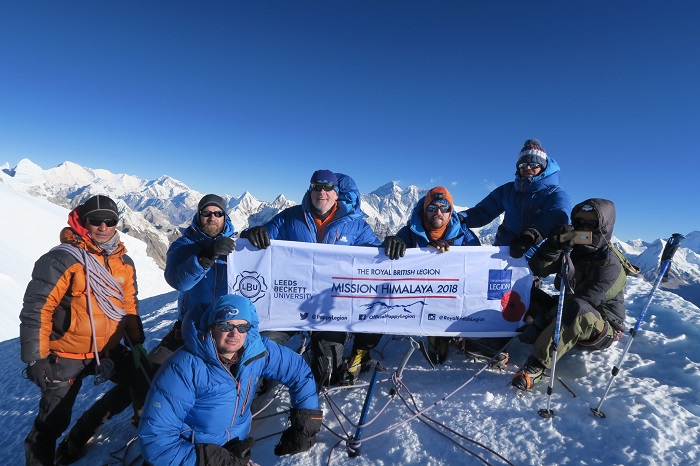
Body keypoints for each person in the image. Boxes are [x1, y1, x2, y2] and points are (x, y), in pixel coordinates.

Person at [53, 193, 236, 463]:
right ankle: (80, 435)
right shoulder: (185, 245)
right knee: (145, 377)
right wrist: (205, 257)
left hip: (230, 332)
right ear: (198, 215)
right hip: (189, 330)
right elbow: (178, 280)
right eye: (206, 213)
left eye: (217, 213)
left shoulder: (238, 247)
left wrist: (257, 238)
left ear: (225, 217)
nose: (212, 217)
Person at [242, 169, 406, 387]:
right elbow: (261, 237)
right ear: (310, 190)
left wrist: (388, 246)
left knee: (327, 373)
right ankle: (259, 384)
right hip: (290, 301)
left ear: (337, 193)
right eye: (316, 187)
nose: (322, 191)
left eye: (328, 187)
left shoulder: (356, 225)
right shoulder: (290, 217)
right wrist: (250, 235)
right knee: (263, 346)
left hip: (331, 307)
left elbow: (374, 256)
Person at [20, 195, 146, 466]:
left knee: (142, 381)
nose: (103, 226)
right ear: (82, 221)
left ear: (116, 224)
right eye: (95, 220)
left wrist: (136, 342)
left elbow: (129, 306)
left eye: (110, 221)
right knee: (51, 423)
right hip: (66, 354)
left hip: (108, 351)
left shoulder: (124, 263)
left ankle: (149, 434)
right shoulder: (62, 259)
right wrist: (36, 357)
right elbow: (37, 309)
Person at [138, 294, 323, 465]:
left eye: (242, 327)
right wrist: (216, 460)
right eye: (226, 326)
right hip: (194, 456)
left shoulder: (255, 351)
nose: (235, 334)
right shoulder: (183, 369)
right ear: (211, 326)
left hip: (234, 450)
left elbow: (297, 370)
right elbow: (156, 443)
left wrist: (306, 420)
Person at [459, 139, 572, 358]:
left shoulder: (556, 193)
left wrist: (533, 234)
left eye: (533, 163)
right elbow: (481, 212)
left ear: (544, 166)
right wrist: (453, 218)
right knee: (495, 294)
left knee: (515, 298)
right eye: (523, 163)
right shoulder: (508, 190)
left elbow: (558, 217)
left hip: (535, 258)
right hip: (504, 253)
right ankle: (487, 331)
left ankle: (494, 343)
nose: (527, 167)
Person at [511, 198, 627, 391]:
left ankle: (536, 367)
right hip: (568, 311)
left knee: (577, 308)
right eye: (579, 223)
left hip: (601, 327)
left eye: (591, 224)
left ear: (603, 227)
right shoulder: (575, 251)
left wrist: (541, 322)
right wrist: (553, 247)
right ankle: (496, 334)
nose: (583, 228)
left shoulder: (610, 264)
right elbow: (538, 268)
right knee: (527, 293)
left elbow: (585, 300)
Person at [395, 186, 481, 364]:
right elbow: (386, 265)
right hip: (418, 296)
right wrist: (391, 244)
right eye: (432, 208)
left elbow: (478, 264)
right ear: (425, 210)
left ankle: (455, 333)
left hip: (455, 293)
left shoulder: (464, 235)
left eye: (444, 208)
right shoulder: (408, 233)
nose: (438, 212)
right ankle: (436, 333)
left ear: (451, 212)